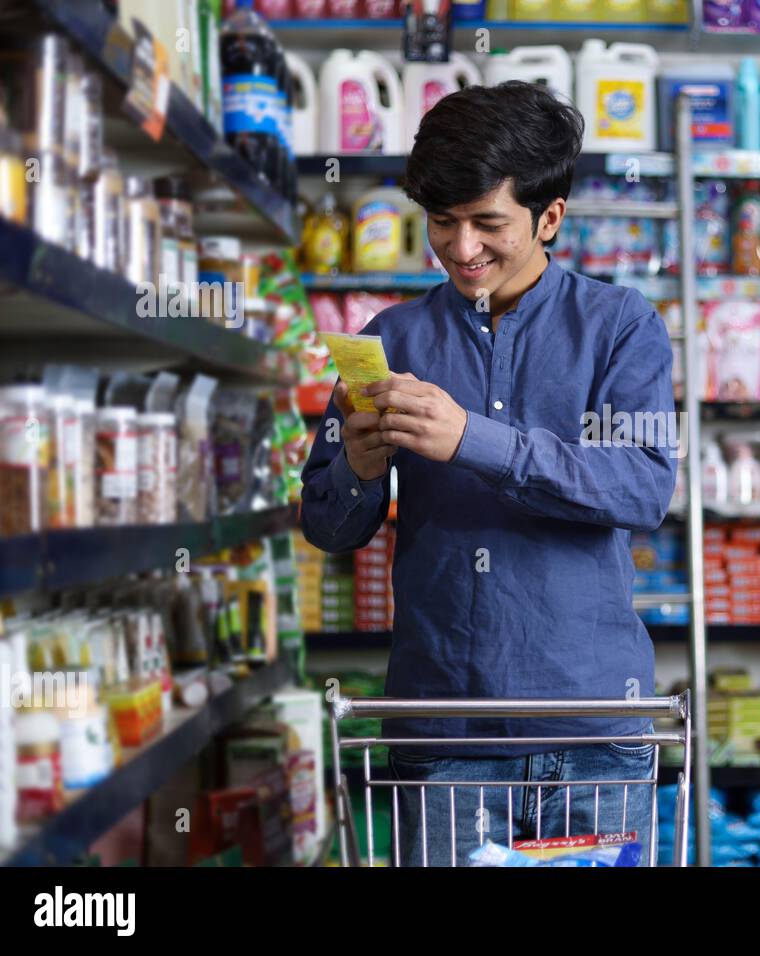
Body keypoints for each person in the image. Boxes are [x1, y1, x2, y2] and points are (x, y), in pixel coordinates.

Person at [299, 81, 678, 866]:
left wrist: (473, 438)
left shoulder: (621, 327)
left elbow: (642, 488)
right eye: (443, 222)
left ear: (549, 217)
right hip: (445, 736)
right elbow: (327, 525)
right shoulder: (389, 339)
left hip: (594, 730)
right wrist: (361, 470)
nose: (462, 247)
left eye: (487, 223)